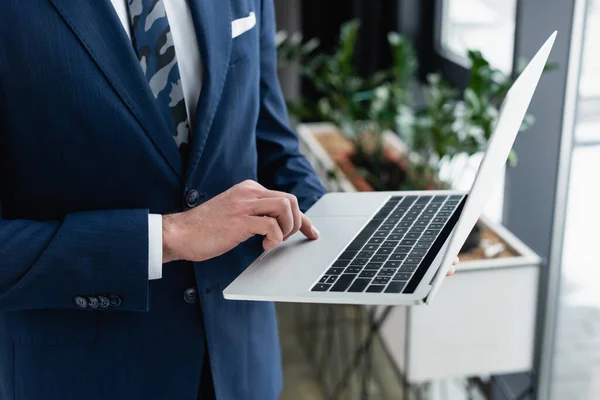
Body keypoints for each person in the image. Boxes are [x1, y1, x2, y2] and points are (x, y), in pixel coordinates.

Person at [0, 1, 458, 398]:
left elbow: (271, 145)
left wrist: (352, 238)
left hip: (240, 362)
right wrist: (170, 236)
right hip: (85, 373)